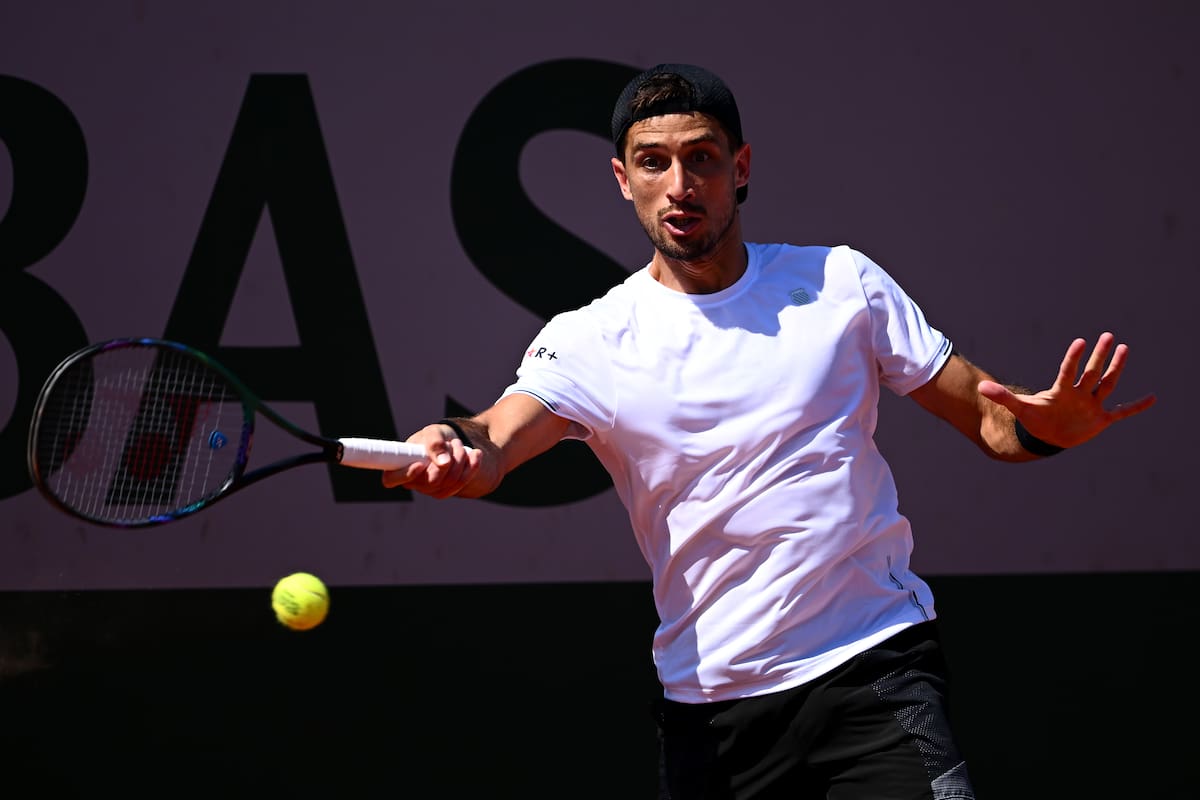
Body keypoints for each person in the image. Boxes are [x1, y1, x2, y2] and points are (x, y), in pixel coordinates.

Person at [384, 63, 1156, 799]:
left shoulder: (840, 282)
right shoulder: (592, 339)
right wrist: (453, 448)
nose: (679, 186)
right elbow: (493, 437)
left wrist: (1049, 425)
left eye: (702, 159)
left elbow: (992, 421)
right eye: (652, 163)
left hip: (874, 668)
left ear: (741, 167)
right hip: (712, 709)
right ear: (623, 180)